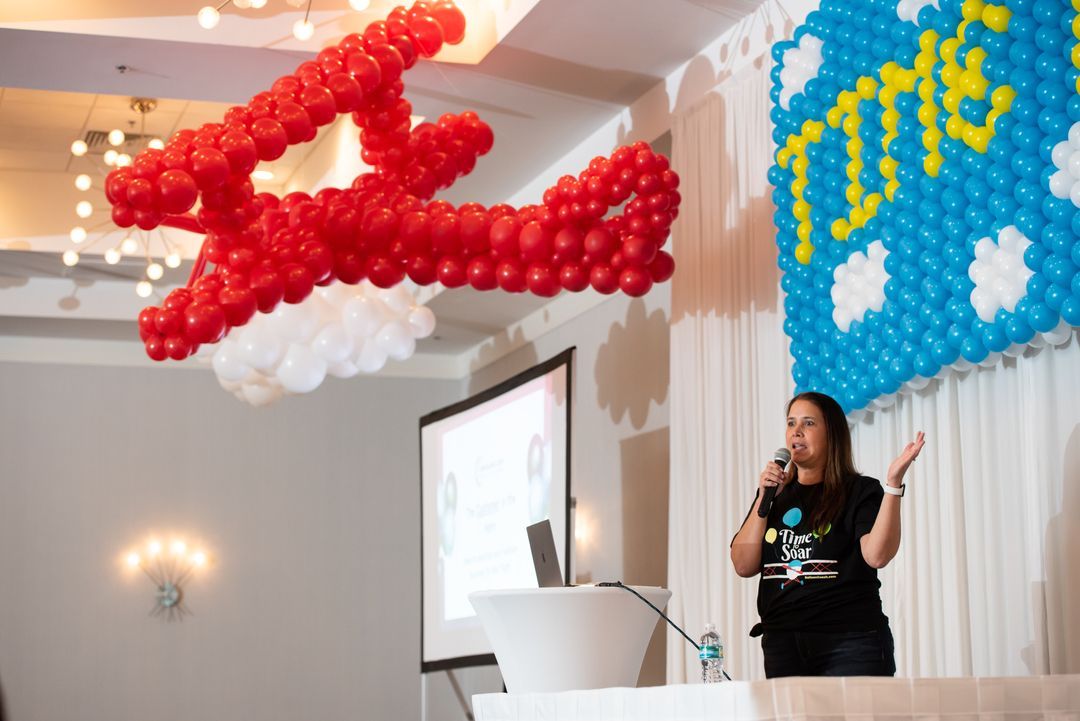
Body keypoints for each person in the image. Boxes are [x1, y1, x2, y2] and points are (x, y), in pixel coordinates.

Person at [730, 391, 925, 677]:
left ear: (831, 434)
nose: (796, 431)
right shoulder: (773, 496)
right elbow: (743, 564)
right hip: (783, 644)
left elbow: (877, 555)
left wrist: (893, 484)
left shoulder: (860, 491)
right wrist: (764, 499)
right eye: (791, 423)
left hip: (851, 642)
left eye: (808, 423)